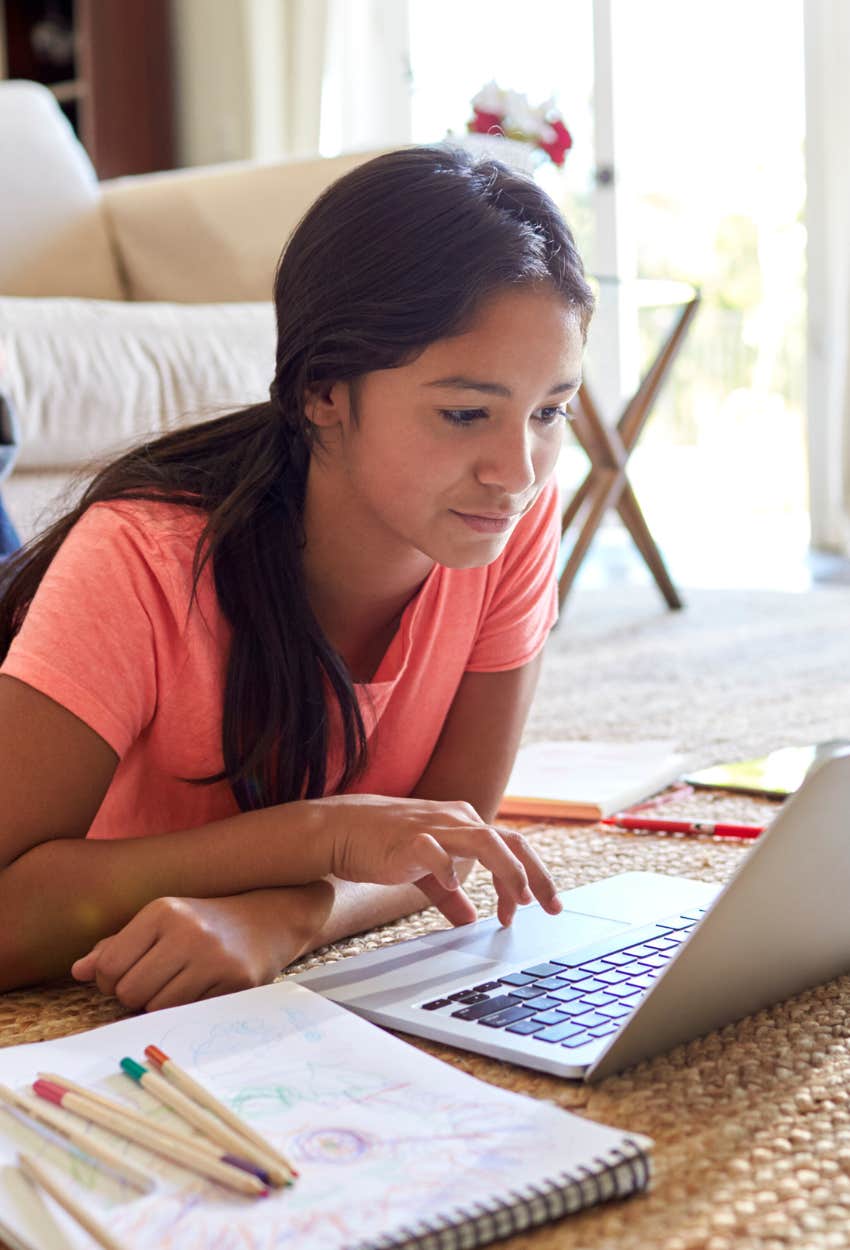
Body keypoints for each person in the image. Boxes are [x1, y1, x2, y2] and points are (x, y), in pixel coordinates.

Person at [0, 145, 594, 1012]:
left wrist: (291, 913)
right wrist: (316, 834)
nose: (516, 468)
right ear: (324, 391)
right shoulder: (140, 555)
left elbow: (454, 827)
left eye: (550, 411)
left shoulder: (508, 516)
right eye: (465, 413)